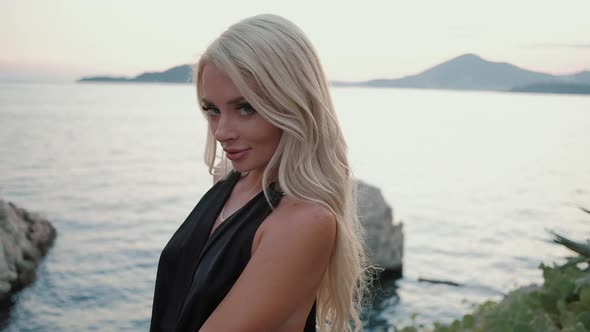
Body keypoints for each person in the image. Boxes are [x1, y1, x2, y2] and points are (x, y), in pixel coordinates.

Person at [150, 14, 368, 332]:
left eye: (246, 108)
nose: (222, 131)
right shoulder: (228, 180)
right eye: (212, 110)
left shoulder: (303, 221)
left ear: (293, 104)